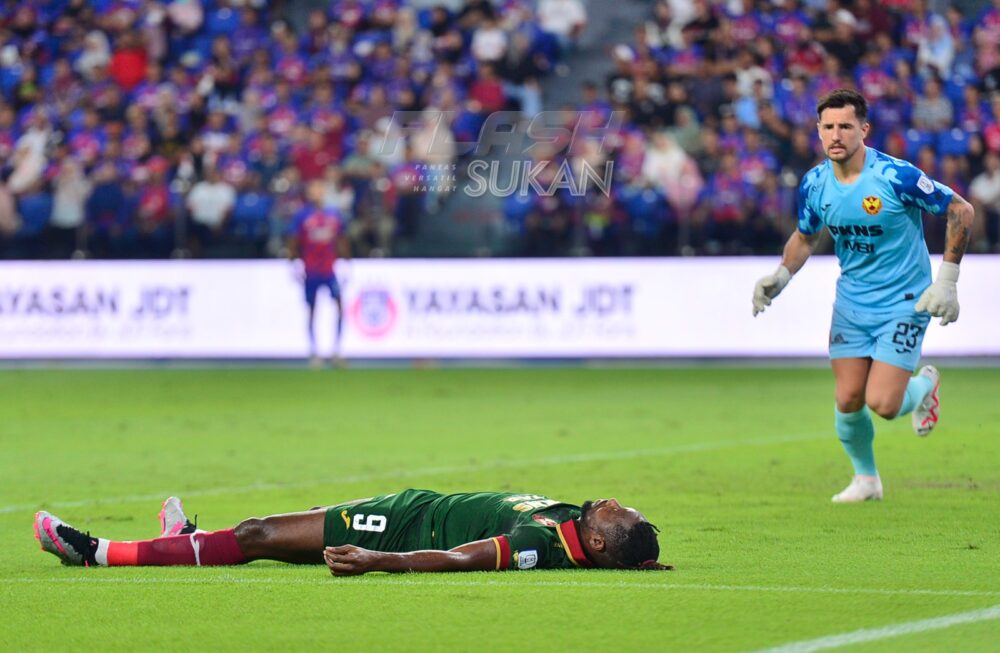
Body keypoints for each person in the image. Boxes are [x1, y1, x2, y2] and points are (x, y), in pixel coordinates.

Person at [752, 89, 975, 503]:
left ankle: (925, 385)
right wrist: (781, 276)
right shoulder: (815, 183)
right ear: (818, 131)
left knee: (884, 404)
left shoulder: (896, 177)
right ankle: (867, 480)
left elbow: (961, 210)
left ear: (864, 130)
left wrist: (947, 279)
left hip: (906, 300)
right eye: (829, 127)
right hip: (853, 302)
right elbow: (805, 236)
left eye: (846, 126)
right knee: (848, 398)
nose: (836, 135)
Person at [34, 490, 671, 574]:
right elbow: (626, 551)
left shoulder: (541, 545)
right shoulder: (579, 528)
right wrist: (641, 558)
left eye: (623, 518)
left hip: (400, 525)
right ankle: (185, 542)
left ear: (596, 543)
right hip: (411, 508)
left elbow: (456, 557)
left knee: (259, 533)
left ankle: (95, 553)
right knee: (274, 540)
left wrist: (376, 558)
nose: (617, 505)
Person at [287, 180, 350, 366]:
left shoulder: (334, 214)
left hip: (329, 269)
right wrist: (293, 264)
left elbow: (341, 239)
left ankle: (337, 350)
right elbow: (293, 241)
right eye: (313, 189)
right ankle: (314, 351)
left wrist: (347, 261)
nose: (317, 192)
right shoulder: (302, 216)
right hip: (311, 270)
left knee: (339, 306)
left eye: (320, 188)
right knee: (312, 310)